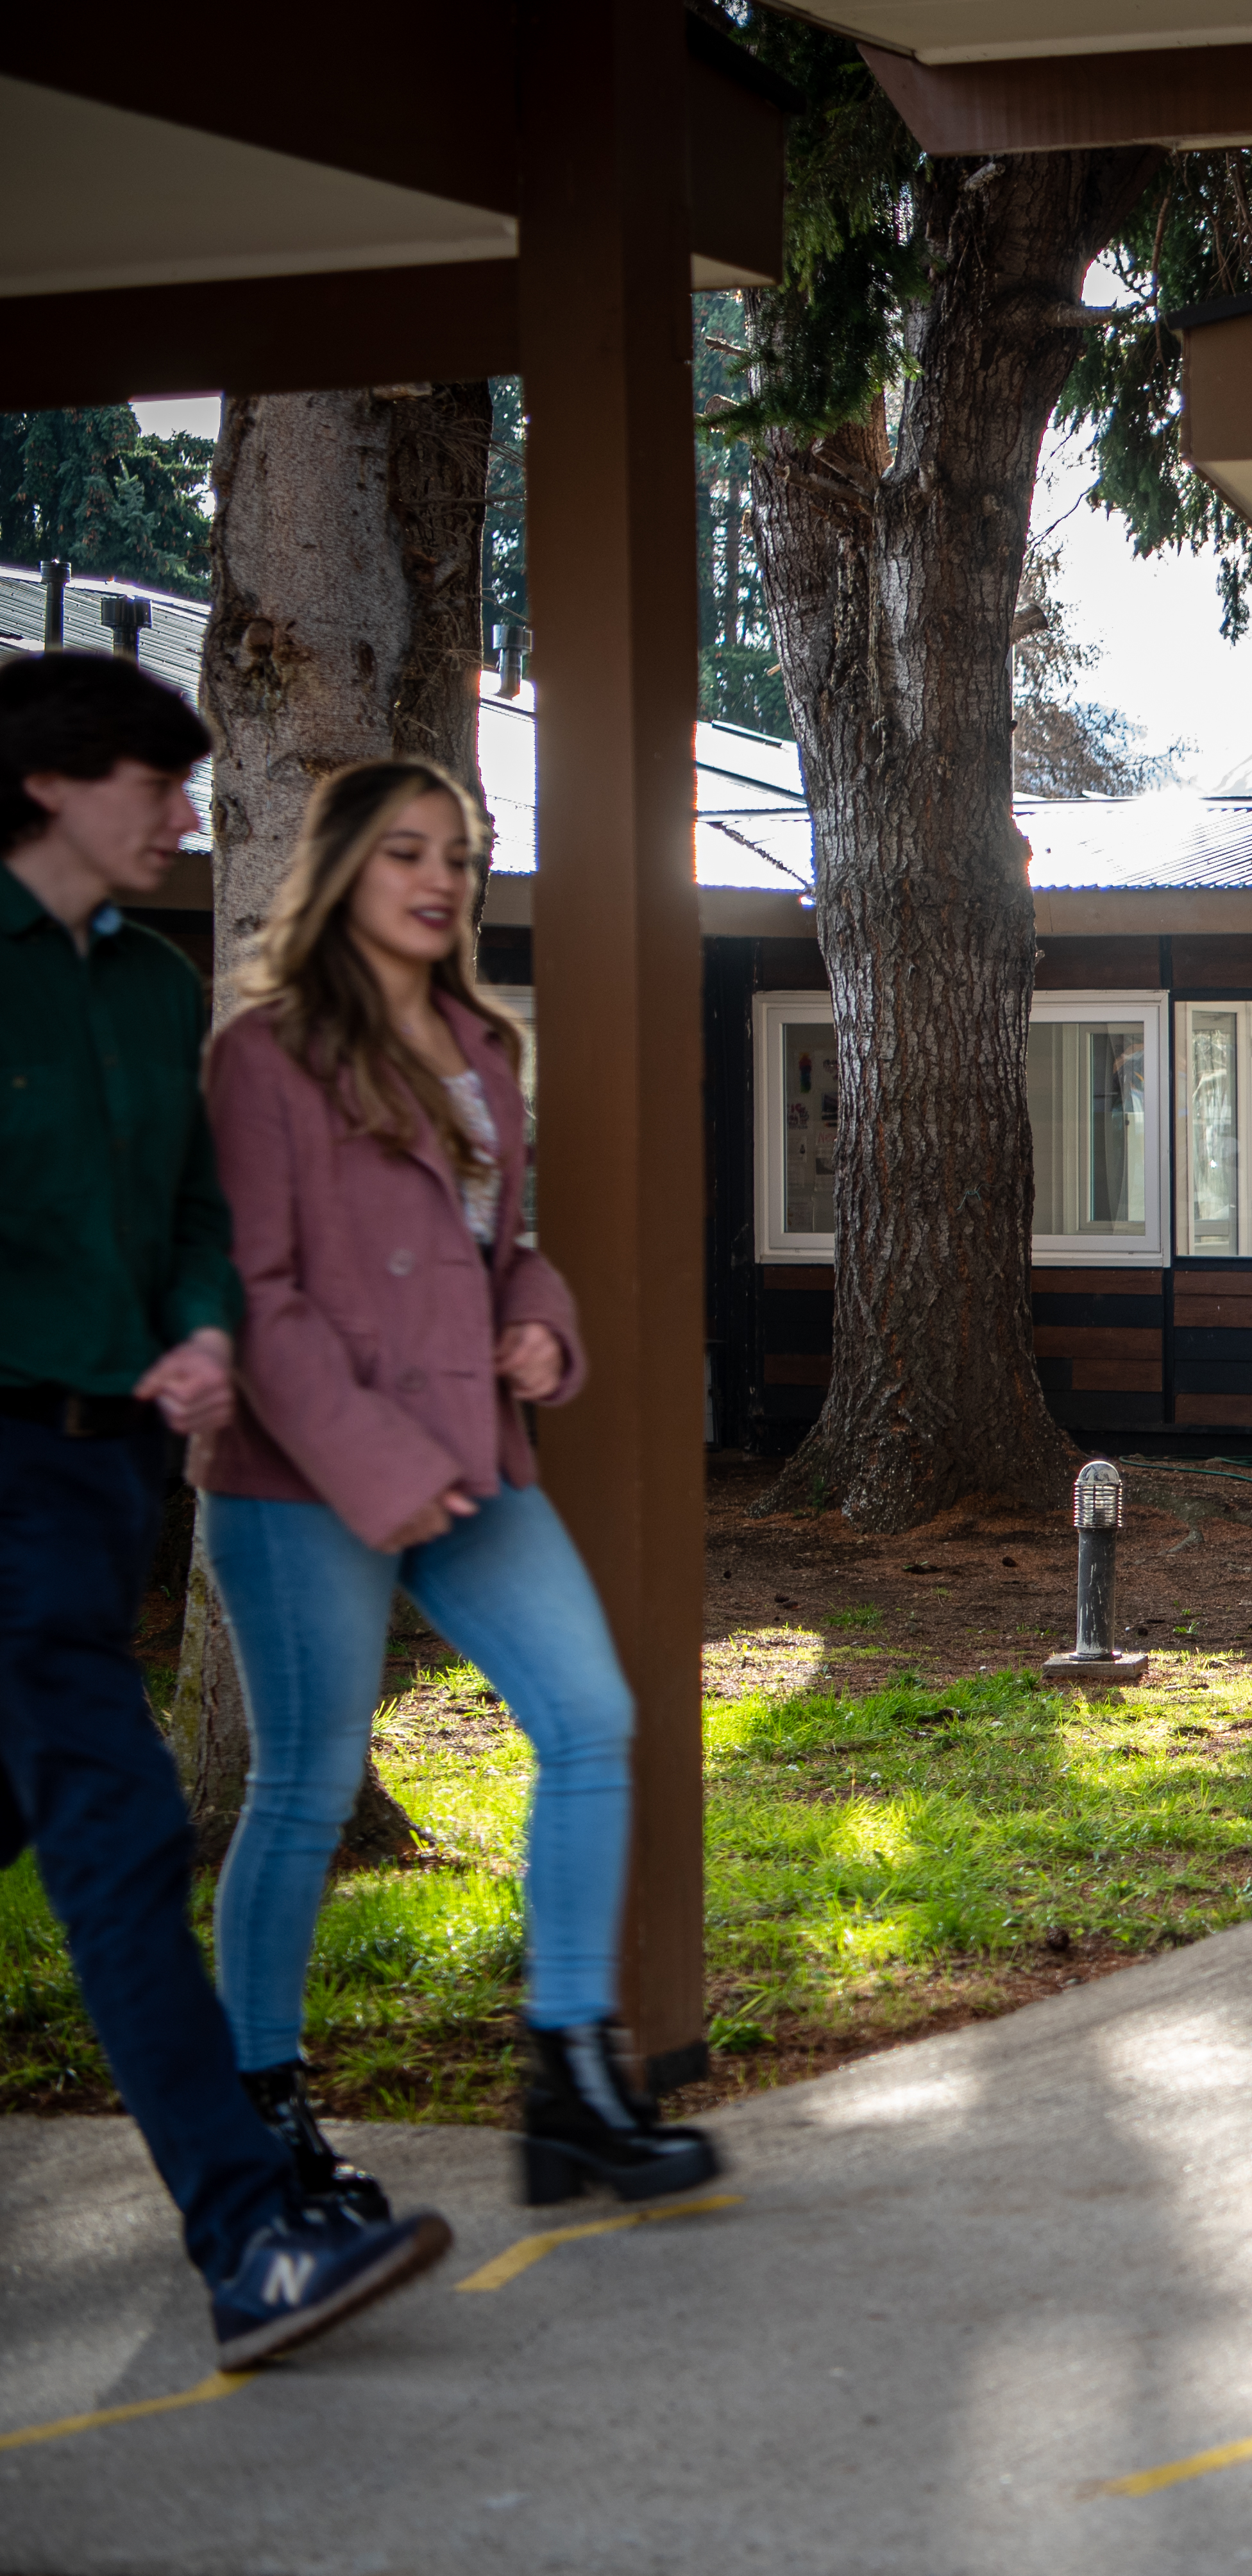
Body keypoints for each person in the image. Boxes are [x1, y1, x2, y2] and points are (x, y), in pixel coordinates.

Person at [0, 656, 453, 2364]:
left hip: (103, 1470)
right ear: (52, 781)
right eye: (156, 784)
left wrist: (193, 1330)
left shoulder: (141, 988)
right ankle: (250, 2234)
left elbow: (192, 1210)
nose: (186, 817)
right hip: (4, 1475)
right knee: (118, 1840)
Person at [195, 758, 718, 2205]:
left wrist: (540, 1314)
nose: (442, 881)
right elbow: (260, 1288)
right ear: (341, 871)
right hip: (303, 1474)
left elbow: (505, 1241)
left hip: (478, 1450)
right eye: (408, 854)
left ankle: (569, 2081)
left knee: (592, 1721)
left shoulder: (481, 1043)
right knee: (303, 1785)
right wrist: (381, 1463)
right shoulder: (266, 1054)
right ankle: (259, 2106)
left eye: (463, 857)